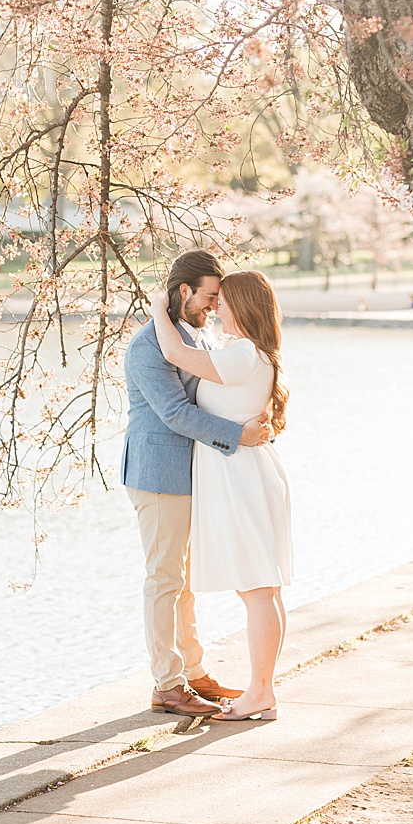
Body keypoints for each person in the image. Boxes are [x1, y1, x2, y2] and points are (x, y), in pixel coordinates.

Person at [122, 249, 272, 717]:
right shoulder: (150, 346)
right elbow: (174, 412)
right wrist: (240, 435)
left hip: (190, 474)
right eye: (208, 297)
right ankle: (167, 683)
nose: (213, 307)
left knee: (184, 582)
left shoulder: (195, 337)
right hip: (160, 472)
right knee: (165, 578)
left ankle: (194, 670)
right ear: (183, 291)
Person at [150, 269, 293, 722]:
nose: (216, 308)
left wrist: (158, 307)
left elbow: (172, 350)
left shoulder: (243, 355)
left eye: (223, 300)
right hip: (244, 473)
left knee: (255, 590)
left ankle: (260, 694)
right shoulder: (245, 354)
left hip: (240, 478)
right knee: (262, 589)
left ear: (243, 306)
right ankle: (263, 691)